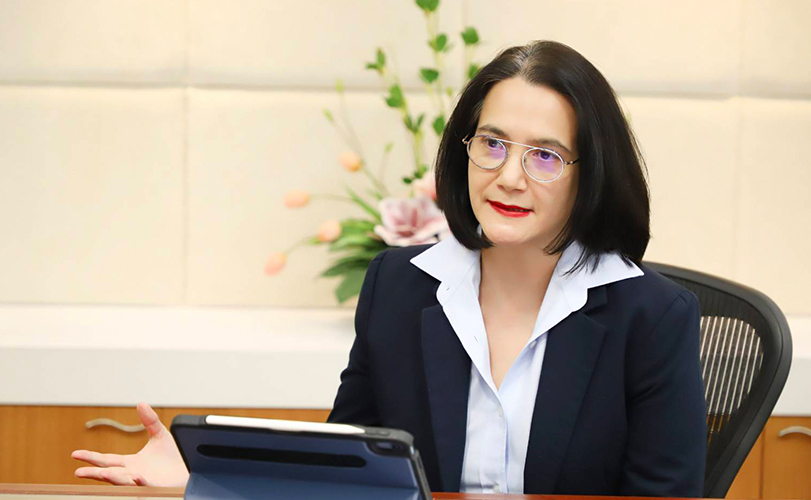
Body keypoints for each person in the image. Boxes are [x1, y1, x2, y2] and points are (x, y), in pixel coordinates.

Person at [72, 40, 707, 496]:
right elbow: (342, 472)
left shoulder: (650, 317)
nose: (509, 176)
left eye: (545, 155)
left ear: (589, 175)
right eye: (492, 143)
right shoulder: (399, 286)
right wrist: (202, 478)